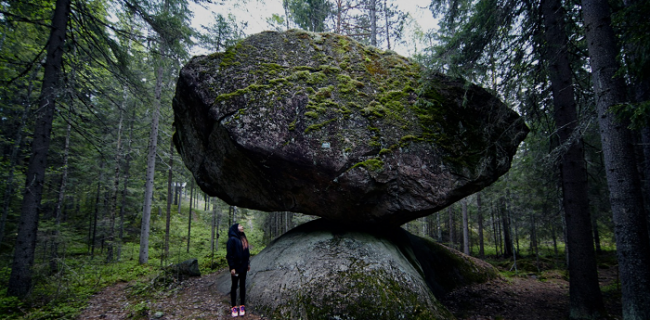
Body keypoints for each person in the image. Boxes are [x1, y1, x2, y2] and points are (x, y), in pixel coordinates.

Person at [226, 223, 250, 317]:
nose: (242, 227)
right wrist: (232, 267)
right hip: (236, 268)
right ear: (236, 228)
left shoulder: (243, 238)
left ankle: (242, 306)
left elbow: (246, 252)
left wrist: (248, 263)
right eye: (240, 226)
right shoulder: (232, 239)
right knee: (234, 286)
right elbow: (229, 255)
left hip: (243, 267)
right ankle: (234, 307)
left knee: (243, 286)